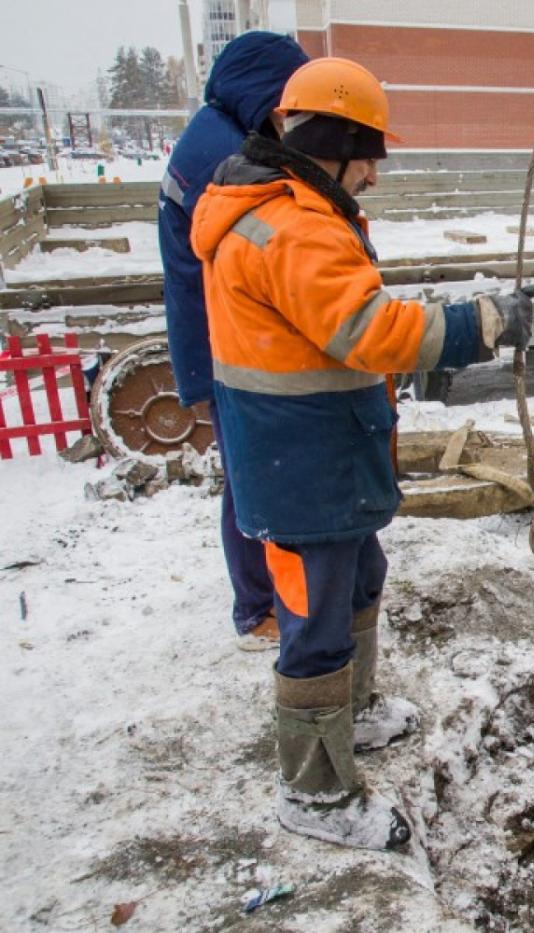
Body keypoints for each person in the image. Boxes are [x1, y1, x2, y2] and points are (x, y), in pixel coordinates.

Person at [191, 56, 534, 849]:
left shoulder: (288, 208)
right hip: (301, 460)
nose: (374, 173)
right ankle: (315, 793)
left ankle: (357, 711)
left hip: (316, 451)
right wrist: (482, 322)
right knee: (314, 623)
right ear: (334, 141)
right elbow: (368, 330)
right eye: (368, 153)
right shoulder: (293, 227)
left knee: (360, 579)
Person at [158, 31, 310, 651]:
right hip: (227, 345)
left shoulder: (214, 133)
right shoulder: (222, 155)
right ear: (264, 93)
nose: (290, 117)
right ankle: (257, 609)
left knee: (252, 471)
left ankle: (266, 596)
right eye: (287, 102)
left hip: (214, 338)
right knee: (253, 475)